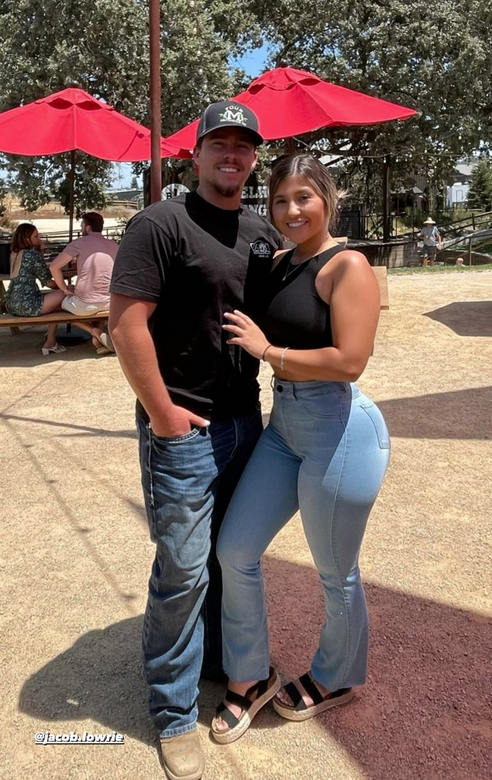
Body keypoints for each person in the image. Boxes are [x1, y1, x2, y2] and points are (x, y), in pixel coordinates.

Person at [108, 101, 281, 780]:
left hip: (247, 423)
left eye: (243, 145)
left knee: (228, 559)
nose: (231, 155)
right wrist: (162, 414)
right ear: (196, 153)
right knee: (182, 570)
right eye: (219, 143)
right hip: (183, 431)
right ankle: (173, 710)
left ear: (254, 157)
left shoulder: (262, 232)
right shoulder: (161, 223)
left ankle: (215, 661)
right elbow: (127, 325)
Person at [211, 154, 391, 743]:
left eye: (303, 197)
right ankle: (249, 675)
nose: (291, 210)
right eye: (280, 199)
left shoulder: (348, 266)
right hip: (284, 425)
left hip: (339, 430)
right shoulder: (282, 262)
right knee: (235, 549)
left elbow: (350, 360)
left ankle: (335, 677)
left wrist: (267, 352)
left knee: (336, 572)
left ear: (327, 199)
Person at [50, 212, 118, 353]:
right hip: (110, 302)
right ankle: (99, 337)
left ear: (87, 227)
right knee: (97, 306)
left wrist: (64, 289)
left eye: (82, 225)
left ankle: (93, 331)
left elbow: (54, 267)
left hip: (85, 304)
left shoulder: (79, 243)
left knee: (59, 305)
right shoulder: (114, 245)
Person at [5, 223, 68, 355]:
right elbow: (48, 282)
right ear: (26, 239)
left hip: (11, 303)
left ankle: (50, 338)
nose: (39, 238)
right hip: (28, 304)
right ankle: (50, 342)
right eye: (36, 236)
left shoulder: (14, 254)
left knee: (56, 301)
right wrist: (66, 287)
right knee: (64, 294)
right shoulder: (32, 254)